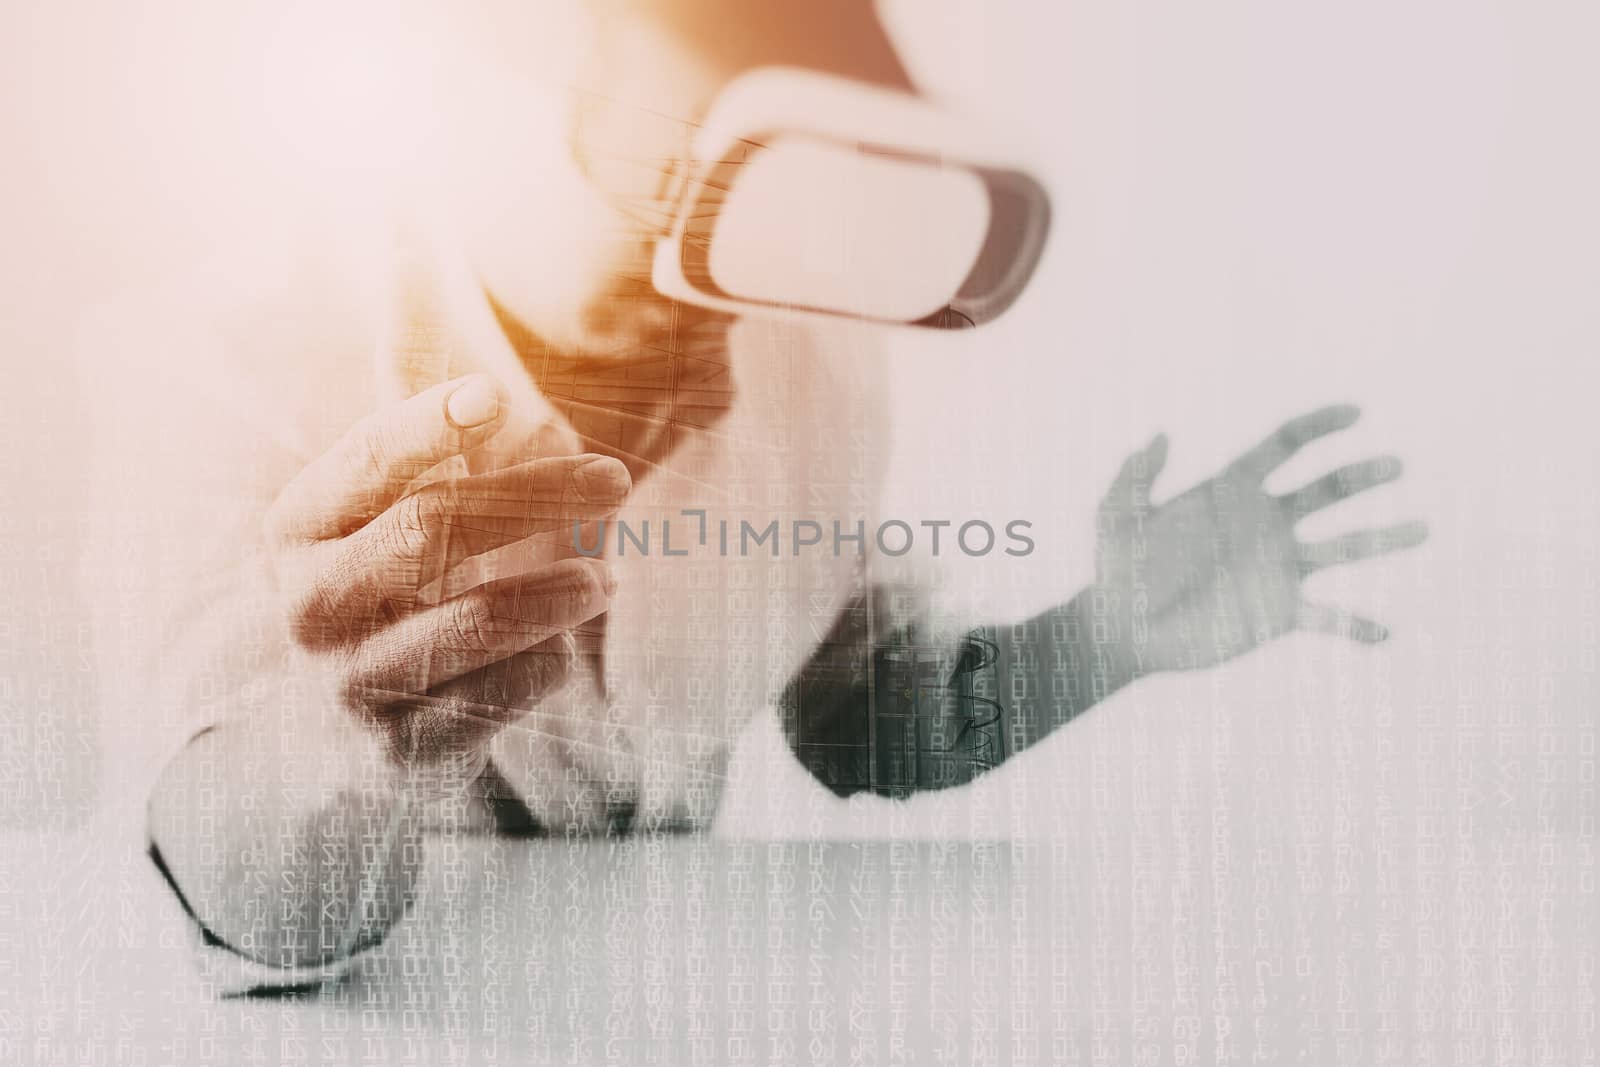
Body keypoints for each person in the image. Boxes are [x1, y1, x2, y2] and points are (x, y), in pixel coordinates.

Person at [97, 0, 1425, 991]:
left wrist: (1101, 638)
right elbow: (211, 888)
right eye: (648, 290)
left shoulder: (813, 340)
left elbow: (854, 704)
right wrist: (340, 750)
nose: (712, 376)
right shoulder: (241, 356)